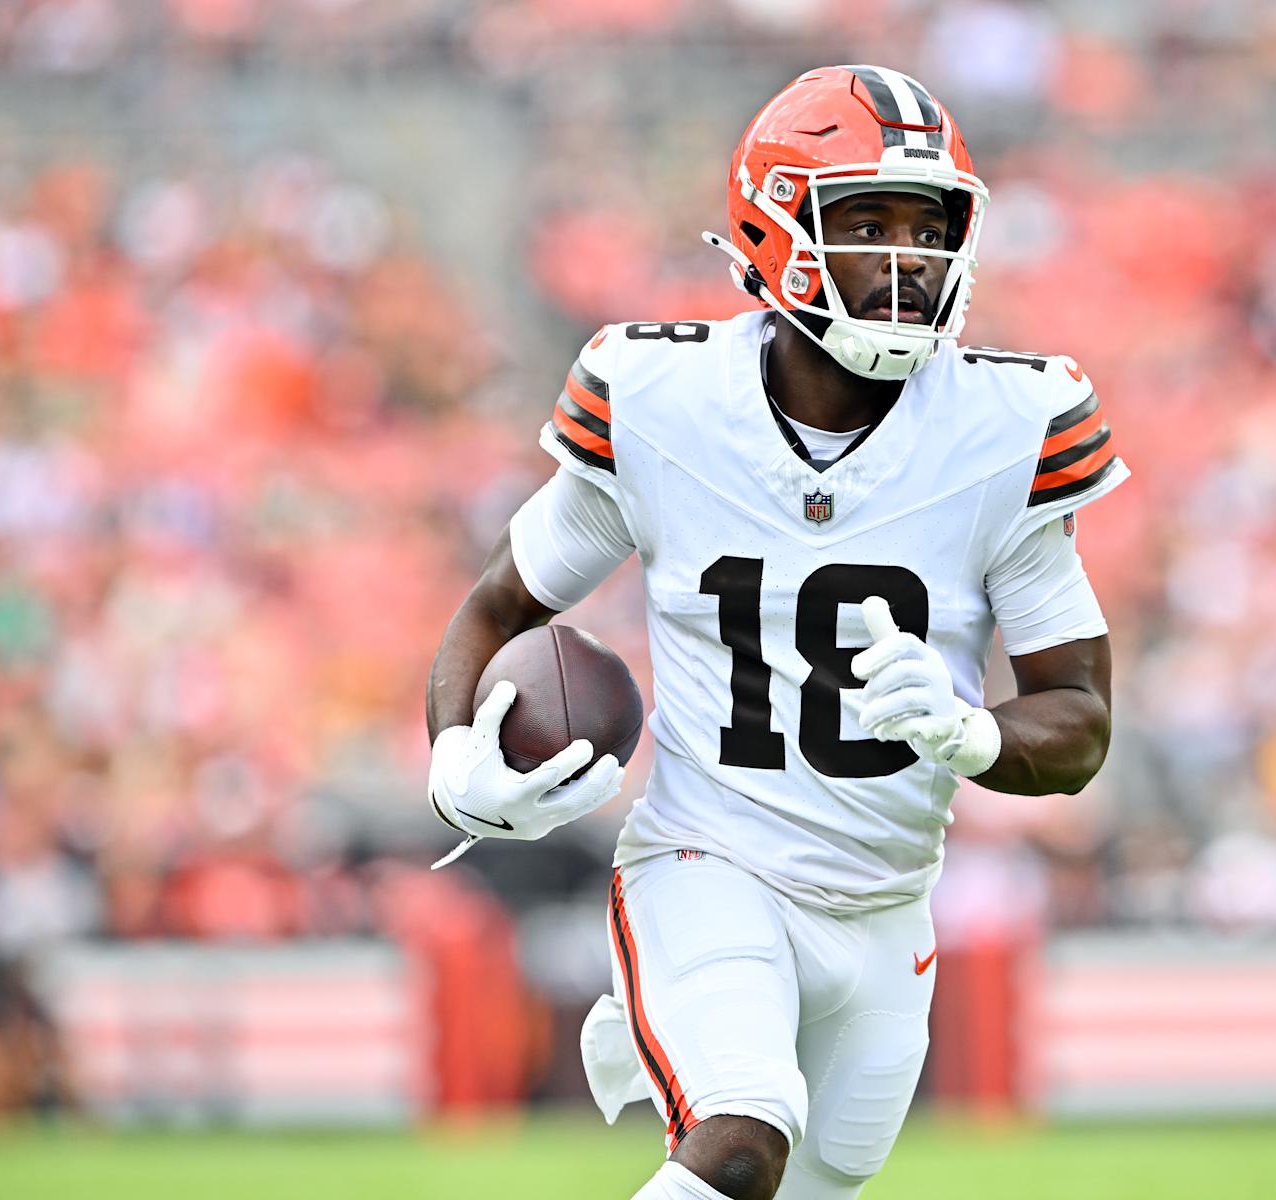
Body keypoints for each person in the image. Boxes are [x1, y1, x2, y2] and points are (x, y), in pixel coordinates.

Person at [423, 65, 1126, 1200]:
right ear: (774, 223)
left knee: (800, 1183)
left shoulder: (1011, 426)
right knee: (742, 1139)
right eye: (865, 222)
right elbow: (502, 607)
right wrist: (456, 756)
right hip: (710, 862)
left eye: (925, 224)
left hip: (889, 902)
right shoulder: (662, 399)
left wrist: (971, 735)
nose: (905, 258)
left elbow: (1082, 720)